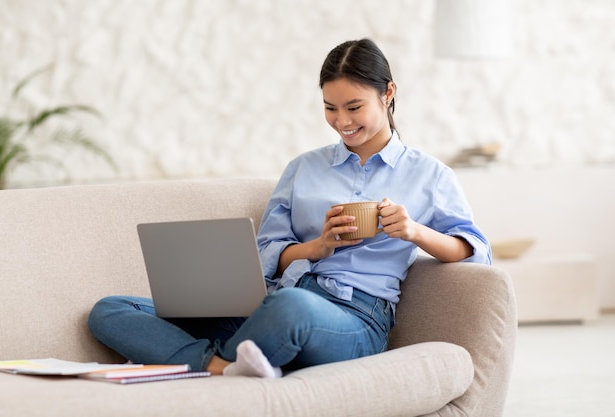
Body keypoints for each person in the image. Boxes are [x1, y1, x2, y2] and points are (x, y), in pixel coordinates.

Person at [88, 38, 491, 378]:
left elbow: (474, 250)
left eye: (354, 107)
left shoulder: (430, 174)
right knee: (110, 310)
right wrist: (317, 247)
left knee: (289, 308)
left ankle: (227, 356)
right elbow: (265, 253)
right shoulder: (303, 169)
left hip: (355, 318)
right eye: (330, 108)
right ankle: (218, 364)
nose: (341, 121)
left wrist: (414, 230)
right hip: (277, 297)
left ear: (388, 93)